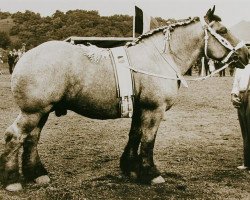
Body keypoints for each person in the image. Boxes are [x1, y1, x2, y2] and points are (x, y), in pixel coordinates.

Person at [231, 63, 250, 171]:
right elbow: (235, 84)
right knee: (245, 130)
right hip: (241, 95)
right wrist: (233, 95)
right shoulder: (240, 66)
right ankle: (247, 162)